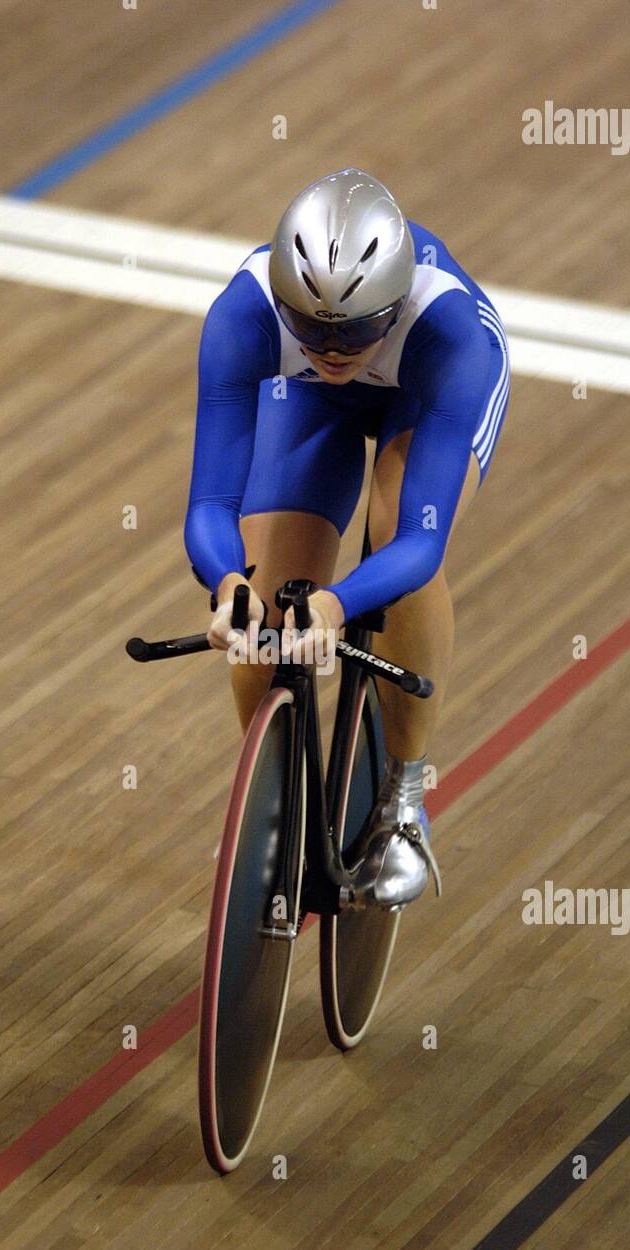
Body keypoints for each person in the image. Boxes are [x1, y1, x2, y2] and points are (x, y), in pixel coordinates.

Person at [184, 168, 510, 908]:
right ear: (279, 300)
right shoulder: (241, 317)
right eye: (310, 329)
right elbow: (209, 502)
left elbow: (419, 546)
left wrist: (337, 605)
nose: (333, 354)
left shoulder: (455, 336)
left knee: (398, 546)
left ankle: (403, 797)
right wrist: (225, 581)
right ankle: (269, 796)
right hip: (303, 406)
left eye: (356, 330)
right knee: (265, 595)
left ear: (392, 308)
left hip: (421, 395)